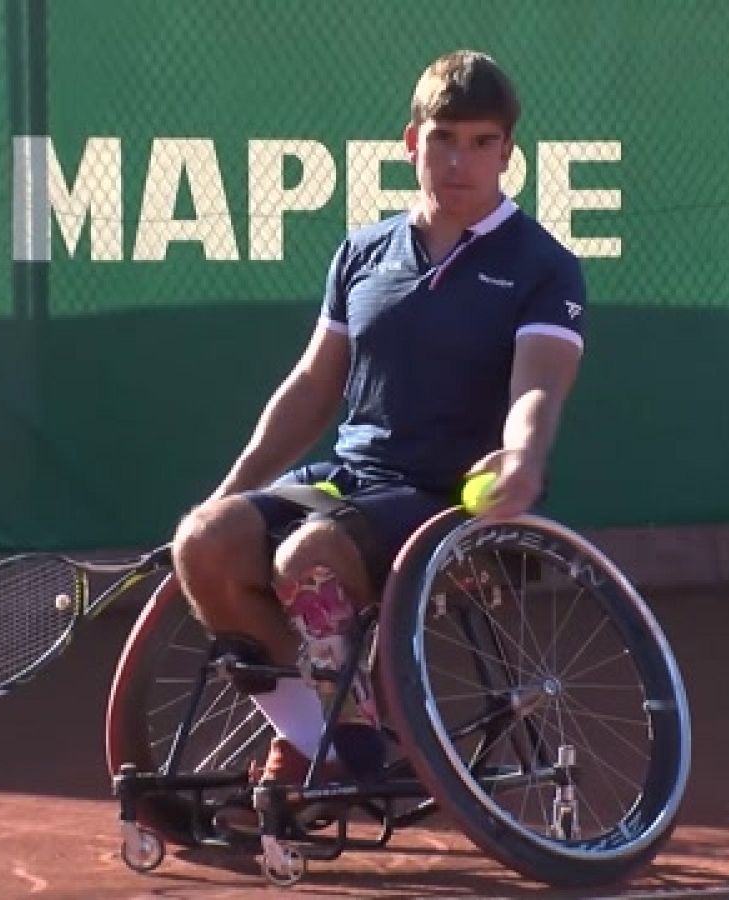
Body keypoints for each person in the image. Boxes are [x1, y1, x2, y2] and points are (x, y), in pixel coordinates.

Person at [172, 49, 586, 788]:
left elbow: (538, 389)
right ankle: (319, 739)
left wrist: (523, 457)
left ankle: (344, 752)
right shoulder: (363, 251)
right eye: (443, 139)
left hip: (448, 497)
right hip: (352, 480)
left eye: (481, 142)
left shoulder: (542, 264)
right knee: (202, 541)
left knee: (309, 557)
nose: (459, 161)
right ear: (411, 142)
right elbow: (313, 384)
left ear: (506, 153)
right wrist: (233, 487)